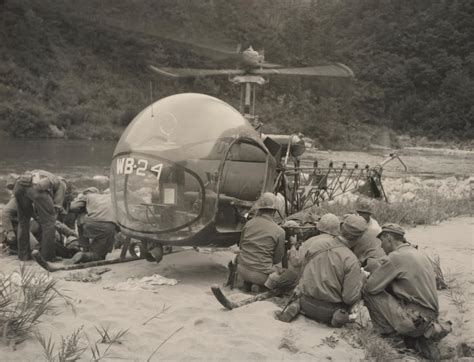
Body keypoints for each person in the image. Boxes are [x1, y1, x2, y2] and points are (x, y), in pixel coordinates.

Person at [363, 223, 451, 360]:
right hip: (430, 319)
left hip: (412, 320)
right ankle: (418, 341)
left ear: (388, 237)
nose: (380, 246)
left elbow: (371, 287)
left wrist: (371, 272)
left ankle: (390, 338)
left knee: (367, 291)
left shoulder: (396, 257)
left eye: (382, 241)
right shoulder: (419, 254)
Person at [278, 214, 367, 325]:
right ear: (359, 238)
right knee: (355, 300)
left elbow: (301, 269)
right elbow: (349, 298)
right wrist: (361, 281)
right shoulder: (351, 260)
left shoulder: (316, 244)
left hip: (306, 303)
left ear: (341, 228)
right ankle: (340, 318)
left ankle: (296, 306)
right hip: (329, 311)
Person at [237, 192, 298, 293]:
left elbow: (241, 246)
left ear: (259, 208)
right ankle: (264, 287)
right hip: (261, 276)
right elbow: (277, 259)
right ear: (275, 211)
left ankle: (247, 284)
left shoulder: (248, 224)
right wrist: (293, 244)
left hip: (242, 270)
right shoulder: (280, 231)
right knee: (292, 276)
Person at [13, 170, 67, 261]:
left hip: (18, 187)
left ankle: (23, 255)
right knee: (49, 224)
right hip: (36, 188)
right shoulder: (62, 184)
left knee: (23, 222)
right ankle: (48, 256)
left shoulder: (41, 173)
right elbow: (57, 207)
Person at [69, 188, 118, 263]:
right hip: (109, 226)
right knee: (100, 255)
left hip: (91, 224)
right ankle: (87, 254)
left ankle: (84, 251)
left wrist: (85, 210)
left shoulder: (87, 196)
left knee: (81, 217)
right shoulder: (109, 197)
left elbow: (73, 206)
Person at [352, 199, 385, 270]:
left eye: (364, 213)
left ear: (369, 214)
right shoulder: (355, 222)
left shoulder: (374, 226)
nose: (362, 215)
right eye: (360, 212)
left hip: (369, 258)